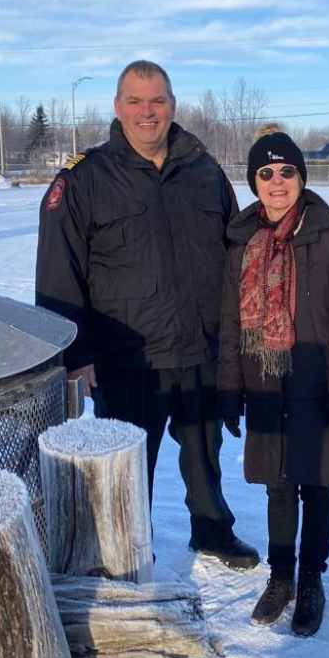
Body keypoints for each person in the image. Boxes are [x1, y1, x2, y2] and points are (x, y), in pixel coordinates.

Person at [35, 60, 259, 570]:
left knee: (204, 451)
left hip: (200, 345)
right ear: (118, 107)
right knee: (129, 465)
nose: (147, 112)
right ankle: (128, 547)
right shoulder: (86, 178)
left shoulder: (204, 172)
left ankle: (212, 530)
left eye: (157, 100)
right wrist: (75, 354)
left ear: (172, 106)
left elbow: (236, 256)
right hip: (127, 356)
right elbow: (57, 271)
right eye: (135, 101)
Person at [217, 125, 329, 636]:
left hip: (316, 384)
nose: (277, 181)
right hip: (263, 382)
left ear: (301, 177)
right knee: (277, 486)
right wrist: (228, 389)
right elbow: (231, 324)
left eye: (286, 171)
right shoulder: (241, 241)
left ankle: (310, 581)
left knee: (317, 487)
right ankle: (281, 578)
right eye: (266, 172)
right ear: (254, 181)